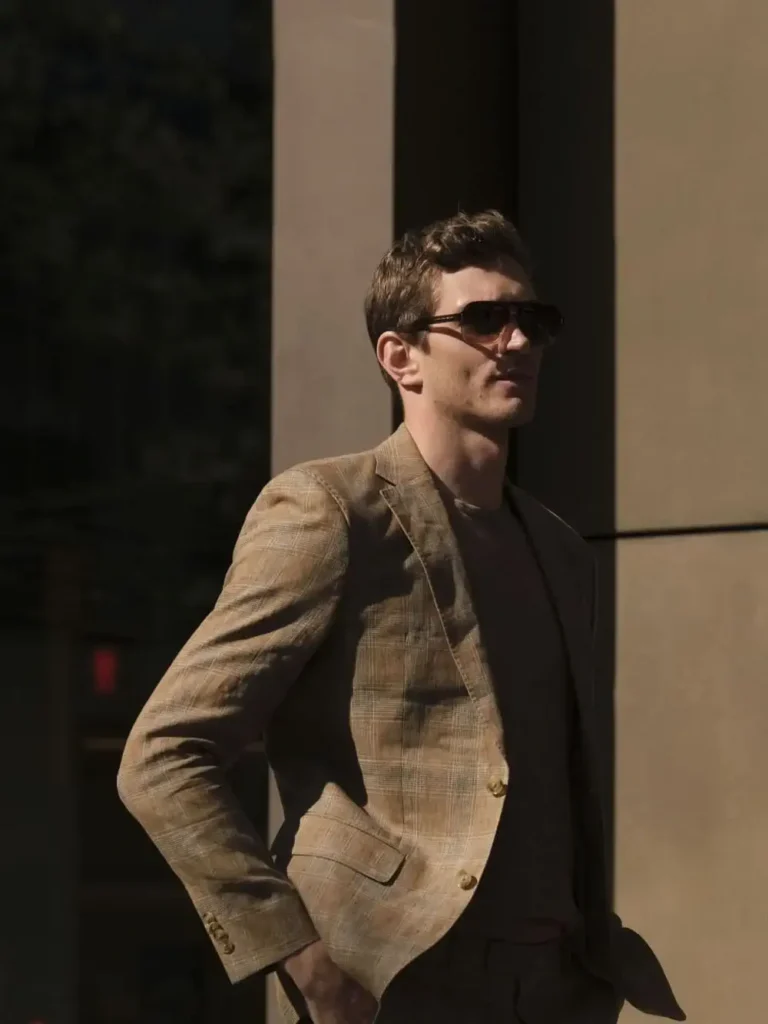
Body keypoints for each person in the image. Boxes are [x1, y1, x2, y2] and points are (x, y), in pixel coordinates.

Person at [117, 210, 685, 1024]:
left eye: (534, 321)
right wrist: (299, 958)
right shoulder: (330, 513)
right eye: (485, 320)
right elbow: (164, 755)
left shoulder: (562, 552)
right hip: (392, 981)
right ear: (400, 356)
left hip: (560, 984)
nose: (517, 342)